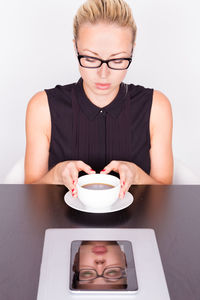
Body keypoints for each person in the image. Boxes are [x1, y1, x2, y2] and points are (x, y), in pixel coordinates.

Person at [25, 0, 173, 199]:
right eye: (91, 59)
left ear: (132, 51)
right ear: (76, 47)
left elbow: (166, 194)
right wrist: (57, 174)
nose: (103, 74)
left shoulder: (157, 107)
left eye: (118, 59)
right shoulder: (42, 108)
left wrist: (137, 175)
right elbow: (29, 193)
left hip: (139, 227)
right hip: (60, 226)